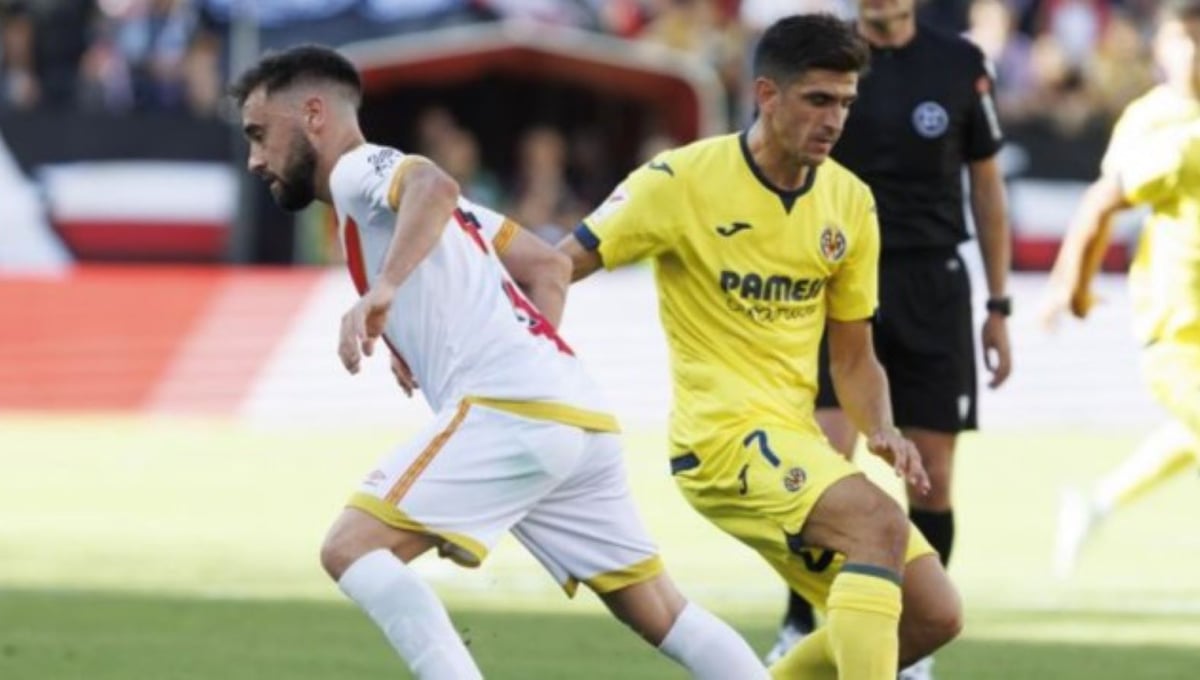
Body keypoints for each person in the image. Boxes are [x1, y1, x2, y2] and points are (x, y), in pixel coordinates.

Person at [230, 45, 769, 680]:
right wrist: (459, 339)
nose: (255, 159)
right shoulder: (444, 216)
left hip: (509, 407)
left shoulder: (356, 169)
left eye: (260, 134)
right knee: (664, 613)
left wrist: (388, 289)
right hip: (574, 413)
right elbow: (548, 267)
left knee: (352, 548)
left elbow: (433, 184)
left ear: (315, 114)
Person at [557, 14, 962, 680]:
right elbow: (555, 266)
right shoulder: (678, 181)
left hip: (792, 437)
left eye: (846, 103)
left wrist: (881, 428)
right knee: (880, 526)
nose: (835, 120)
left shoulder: (850, 202)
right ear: (767, 95)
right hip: (720, 441)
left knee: (933, 616)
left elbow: (853, 357)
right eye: (818, 100)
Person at [763, 2, 1014, 676]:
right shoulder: (821, 61)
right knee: (818, 465)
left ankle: (912, 641)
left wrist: (998, 305)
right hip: (833, 277)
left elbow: (987, 189)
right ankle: (797, 619)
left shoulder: (960, 64)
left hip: (930, 284)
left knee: (932, 479)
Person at [1043, 0, 1200, 580]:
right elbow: (1102, 201)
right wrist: (1070, 285)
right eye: (1183, 40)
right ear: (1161, 48)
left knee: (1187, 437)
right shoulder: (1161, 128)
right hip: (1178, 324)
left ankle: (1096, 504)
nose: (1193, 53)